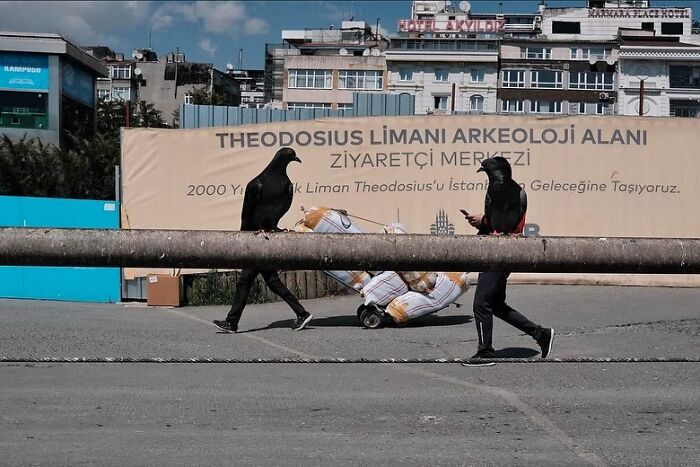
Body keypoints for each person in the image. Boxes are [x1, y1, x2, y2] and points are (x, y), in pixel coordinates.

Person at [464, 157, 554, 360]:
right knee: (494, 304)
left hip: (501, 252)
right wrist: (482, 223)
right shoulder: (494, 191)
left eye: (487, 167)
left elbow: (515, 227)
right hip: (495, 248)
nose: (484, 170)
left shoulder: (518, 193)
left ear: (497, 171)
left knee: (481, 303)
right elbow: (495, 224)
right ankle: (541, 334)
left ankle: (485, 351)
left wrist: (484, 220)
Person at [213, 147, 313, 333]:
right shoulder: (259, 185)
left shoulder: (279, 185)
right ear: (285, 159)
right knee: (272, 281)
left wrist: (265, 228)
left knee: (247, 281)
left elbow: (270, 211)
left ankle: (232, 322)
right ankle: (301, 313)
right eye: (292, 157)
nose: (295, 159)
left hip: (258, 240)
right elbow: (249, 214)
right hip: (258, 236)